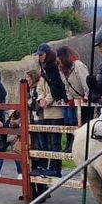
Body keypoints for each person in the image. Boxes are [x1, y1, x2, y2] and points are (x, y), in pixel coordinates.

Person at [32, 44, 69, 184]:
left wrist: (47, 100)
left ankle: (55, 168)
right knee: (48, 141)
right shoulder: (44, 69)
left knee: (55, 141)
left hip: (55, 110)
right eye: (38, 55)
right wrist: (41, 99)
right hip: (46, 110)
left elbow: (57, 88)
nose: (39, 57)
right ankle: (49, 167)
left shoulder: (54, 67)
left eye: (41, 54)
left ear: (47, 54)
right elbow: (40, 87)